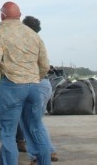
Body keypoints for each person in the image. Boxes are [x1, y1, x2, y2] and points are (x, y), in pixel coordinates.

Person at [0, 1, 51, 165]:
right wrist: (36, 77)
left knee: (7, 132)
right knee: (36, 128)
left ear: (2, 15)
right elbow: (45, 65)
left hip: (12, 85)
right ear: (19, 15)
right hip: (34, 85)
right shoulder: (33, 34)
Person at [21, 16, 59, 163]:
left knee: (28, 123)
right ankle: (48, 151)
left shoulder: (27, 42)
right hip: (44, 84)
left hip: (33, 83)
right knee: (36, 122)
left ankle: (38, 155)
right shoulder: (39, 41)